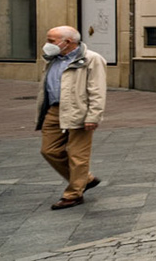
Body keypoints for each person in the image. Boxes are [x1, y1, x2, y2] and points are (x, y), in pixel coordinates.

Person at [36, 24, 107, 210]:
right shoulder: (51, 58)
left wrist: (93, 116)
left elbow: (97, 90)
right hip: (53, 110)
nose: (47, 44)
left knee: (78, 156)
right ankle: (86, 179)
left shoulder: (91, 59)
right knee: (48, 150)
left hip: (79, 111)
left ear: (67, 42)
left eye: (51, 40)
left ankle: (73, 194)